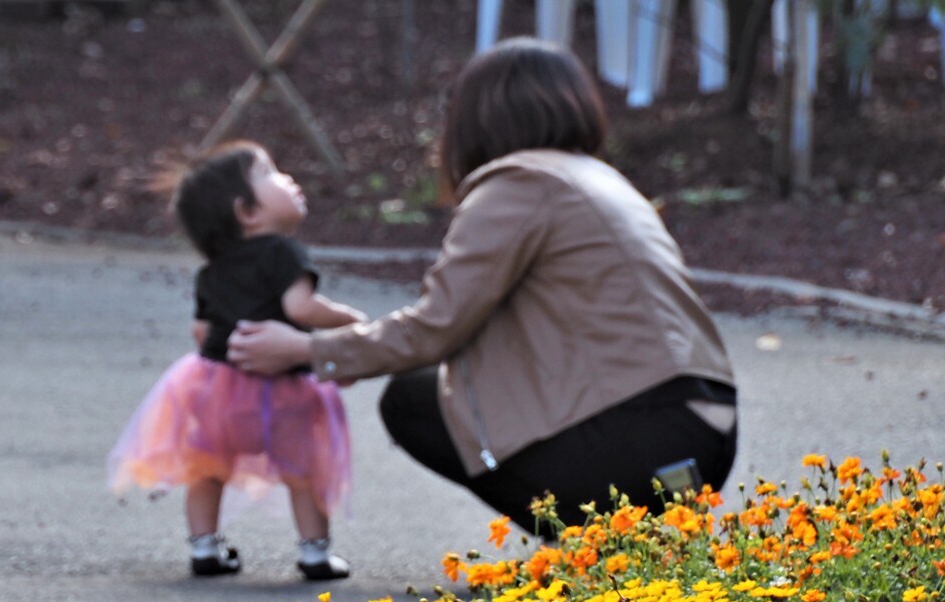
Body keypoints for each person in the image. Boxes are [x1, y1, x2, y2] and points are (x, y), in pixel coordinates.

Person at [227, 38, 738, 539]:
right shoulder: (598, 178)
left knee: (413, 399)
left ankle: (587, 547)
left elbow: (436, 329)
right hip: (703, 430)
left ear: (475, 119)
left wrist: (308, 349)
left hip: (641, 438)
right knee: (453, 379)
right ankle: (619, 543)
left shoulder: (518, 186)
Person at [108, 140, 367, 578]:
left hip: (219, 390)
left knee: (207, 469)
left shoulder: (211, 271)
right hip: (283, 391)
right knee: (303, 473)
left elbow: (202, 331)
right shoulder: (284, 252)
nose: (289, 179)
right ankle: (314, 553)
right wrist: (351, 320)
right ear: (247, 211)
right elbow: (302, 308)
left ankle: (205, 548)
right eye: (272, 173)